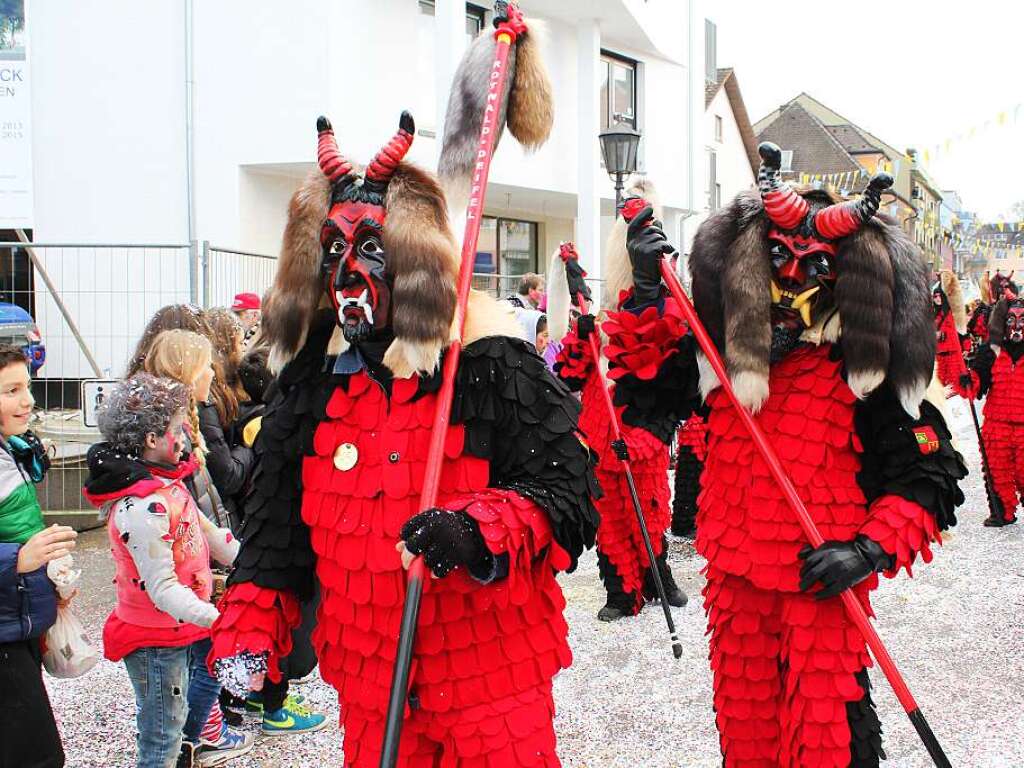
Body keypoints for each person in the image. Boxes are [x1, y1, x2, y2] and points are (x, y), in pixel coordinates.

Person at [209, 95, 600, 768]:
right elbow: (275, 530)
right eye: (334, 249)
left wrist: (479, 529)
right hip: (372, 684)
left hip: (490, 682)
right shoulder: (310, 383)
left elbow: (568, 490)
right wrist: (249, 626)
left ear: (410, 256)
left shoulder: (487, 358)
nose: (348, 272)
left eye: (369, 248)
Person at [606, 144, 966, 766]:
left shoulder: (861, 377)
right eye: (777, 259)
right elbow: (643, 395)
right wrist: (643, 287)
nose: (794, 279)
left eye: (816, 266)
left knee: (827, 738)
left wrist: (867, 550)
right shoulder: (717, 366)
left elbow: (929, 478)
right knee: (747, 740)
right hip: (735, 594)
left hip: (820, 596)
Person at [82, 373, 250, 768]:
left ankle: (187, 751)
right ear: (151, 440)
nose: (189, 435)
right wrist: (218, 619)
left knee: (189, 702)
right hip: (156, 636)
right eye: (178, 428)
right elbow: (161, 588)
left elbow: (209, 534)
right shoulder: (142, 507)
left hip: (180, 624)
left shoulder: (166, 485)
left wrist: (256, 565)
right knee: (162, 731)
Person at [549, 238, 687, 622]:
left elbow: (668, 405)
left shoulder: (657, 342)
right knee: (609, 524)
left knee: (650, 515)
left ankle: (658, 578)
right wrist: (580, 335)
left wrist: (642, 442)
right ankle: (621, 593)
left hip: (641, 450)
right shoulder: (593, 339)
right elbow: (566, 375)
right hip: (600, 446)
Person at [0, 343, 76, 768]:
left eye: (26, 387)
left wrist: (48, 574)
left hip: (15, 616)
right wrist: (20, 561)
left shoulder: (9, 446)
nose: (27, 400)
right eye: (11, 390)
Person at [958, 296, 1024, 526]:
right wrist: (968, 380)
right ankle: (1003, 512)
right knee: (998, 471)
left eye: (1022, 319)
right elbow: (978, 380)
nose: (1017, 325)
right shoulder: (991, 351)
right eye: (1011, 319)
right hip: (997, 426)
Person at [196, 309, 254, 529]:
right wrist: (249, 444)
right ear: (225, 349)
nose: (244, 350)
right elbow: (226, 476)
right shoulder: (207, 399)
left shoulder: (225, 391)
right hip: (221, 514)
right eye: (240, 344)